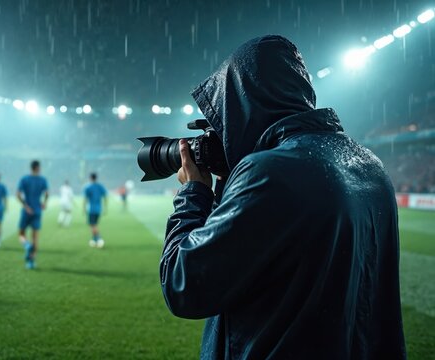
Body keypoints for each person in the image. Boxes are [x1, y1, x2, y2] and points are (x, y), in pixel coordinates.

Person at [160, 35, 405, 359]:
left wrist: (194, 191)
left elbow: (184, 284)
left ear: (241, 106)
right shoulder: (370, 165)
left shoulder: (269, 173)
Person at [17, 160, 49, 269]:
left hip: (27, 210)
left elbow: (18, 194)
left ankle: (27, 245)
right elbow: (47, 193)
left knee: (21, 234)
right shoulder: (43, 180)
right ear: (38, 168)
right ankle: (31, 262)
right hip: (37, 210)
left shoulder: (24, 179)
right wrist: (44, 203)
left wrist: (25, 206)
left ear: (31, 167)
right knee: (35, 237)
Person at [83, 173, 107, 248]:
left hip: (91, 209)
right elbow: (105, 196)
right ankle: (94, 240)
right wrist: (105, 208)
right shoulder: (100, 186)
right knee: (94, 224)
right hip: (98, 209)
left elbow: (85, 199)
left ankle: (99, 239)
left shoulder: (88, 187)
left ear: (90, 178)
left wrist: (83, 208)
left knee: (93, 225)